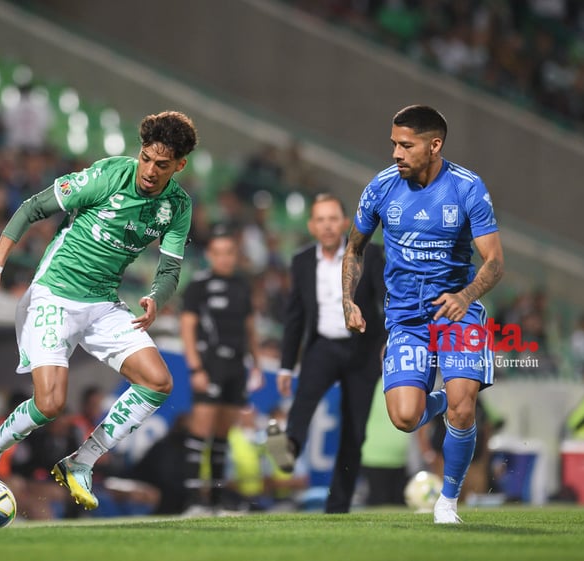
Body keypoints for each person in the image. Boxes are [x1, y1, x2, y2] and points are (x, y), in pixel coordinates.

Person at [0, 111, 199, 511]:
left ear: (179, 166)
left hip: (104, 302)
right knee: (50, 403)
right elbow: (33, 207)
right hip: (55, 294)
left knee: (158, 382)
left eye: (162, 165)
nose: (150, 171)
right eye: (146, 158)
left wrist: (157, 297)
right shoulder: (108, 175)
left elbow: (170, 268)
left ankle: (80, 462)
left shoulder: (177, 205)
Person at [342, 105, 504, 523]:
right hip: (407, 320)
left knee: (463, 412)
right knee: (405, 417)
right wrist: (348, 299)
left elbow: (494, 262)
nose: (396, 152)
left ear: (434, 145)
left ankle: (447, 501)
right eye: (394, 143)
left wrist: (466, 296)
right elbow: (354, 249)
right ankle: (451, 397)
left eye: (406, 145)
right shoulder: (380, 187)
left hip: (457, 313)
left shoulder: (467, 188)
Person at [266, 192, 385, 514]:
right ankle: (286, 453)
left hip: (363, 350)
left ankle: (338, 507)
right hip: (322, 346)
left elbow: (387, 302)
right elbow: (295, 318)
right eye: (321, 219)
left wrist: (390, 340)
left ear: (346, 223)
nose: (328, 226)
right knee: (302, 406)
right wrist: (286, 367)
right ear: (311, 225)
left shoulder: (371, 255)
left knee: (354, 431)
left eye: (334, 218)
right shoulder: (302, 261)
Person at [179, 227, 263, 514]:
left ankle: (215, 499)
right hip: (209, 364)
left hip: (236, 366)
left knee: (223, 436)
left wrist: (257, 364)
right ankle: (192, 501)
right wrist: (195, 368)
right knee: (200, 432)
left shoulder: (242, 285)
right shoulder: (198, 286)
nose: (225, 258)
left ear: (235, 255)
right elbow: (187, 328)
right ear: (209, 255)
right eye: (219, 253)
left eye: (230, 253)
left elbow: (249, 328)